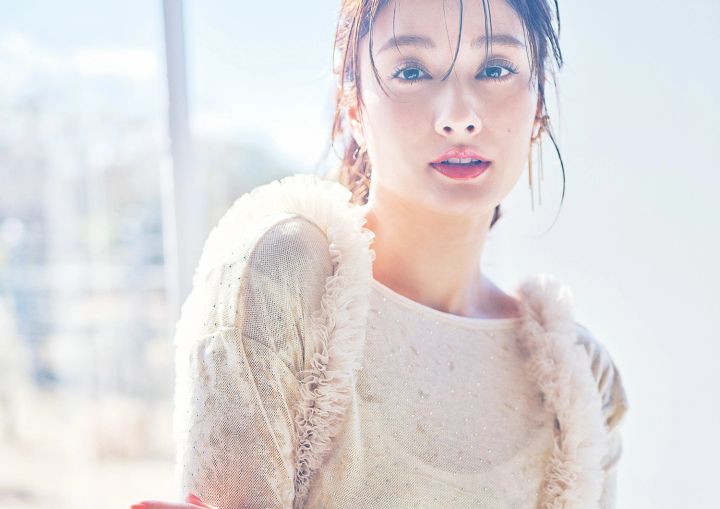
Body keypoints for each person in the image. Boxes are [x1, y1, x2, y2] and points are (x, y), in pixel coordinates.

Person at [131, 0, 629, 508]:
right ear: (353, 105)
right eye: (411, 71)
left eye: (496, 69)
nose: (459, 117)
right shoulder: (283, 278)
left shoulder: (580, 377)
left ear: (539, 103)